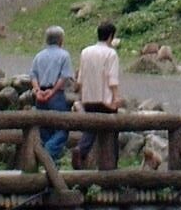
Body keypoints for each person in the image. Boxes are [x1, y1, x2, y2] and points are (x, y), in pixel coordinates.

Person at [74, 21, 121, 170]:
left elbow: (80, 78)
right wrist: (116, 98)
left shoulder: (85, 52)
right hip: (105, 101)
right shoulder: (111, 54)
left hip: (88, 99)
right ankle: (111, 163)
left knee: (91, 127)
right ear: (110, 36)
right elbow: (112, 79)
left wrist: (80, 95)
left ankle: (81, 150)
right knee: (112, 130)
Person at [30, 26, 73, 163]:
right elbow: (64, 77)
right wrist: (53, 91)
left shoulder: (39, 56)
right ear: (60, 40)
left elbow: (33, 75)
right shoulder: (64, 55)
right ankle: (48, 152)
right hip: (56, 95)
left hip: (41, 95)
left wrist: (38, 90)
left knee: (44, 128)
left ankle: (50, 163)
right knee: (63, 127)